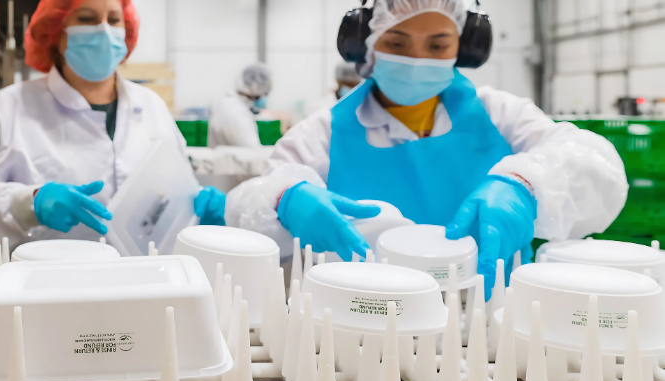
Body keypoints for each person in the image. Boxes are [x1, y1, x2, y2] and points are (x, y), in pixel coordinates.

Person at [225, 0, 628, 299]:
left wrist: (525, 186)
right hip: (366, 320)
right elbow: (254, 202)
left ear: (464, 49)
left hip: (490, 324)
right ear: (365, 45)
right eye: (397, 43)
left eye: (437, 47)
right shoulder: (324, 132)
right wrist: (286, 198)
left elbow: (595, 165)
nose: (417, 60)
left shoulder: (501, 114)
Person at [0, 0, 225, 248]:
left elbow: (176, 188)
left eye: (114, 20)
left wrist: (199, 211)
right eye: (86, 19)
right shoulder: (10, 108)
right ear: (54, 32)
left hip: (149, 278)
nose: (104, 30)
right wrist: (29, 202)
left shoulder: (151, 106)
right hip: (49, 280)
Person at [207, 64, 272, 148]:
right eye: (262, 94)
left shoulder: (226, 102)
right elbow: (251, 150)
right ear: (254, 87)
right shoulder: (236, 112)